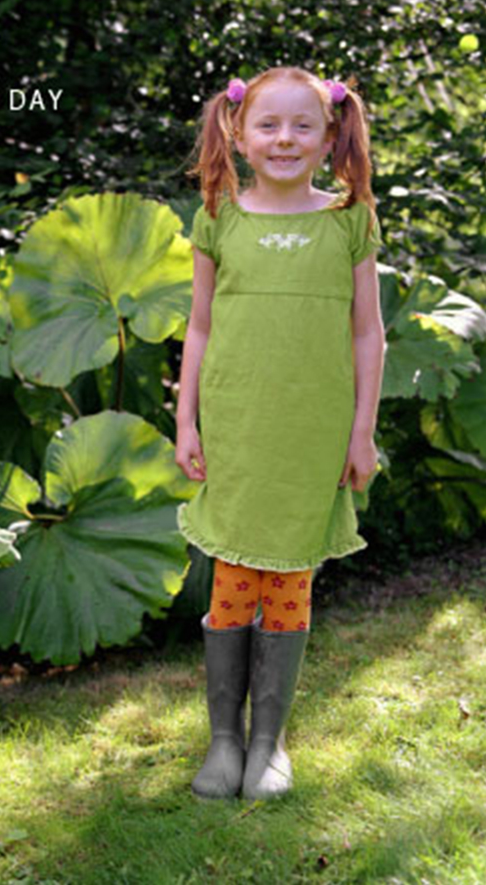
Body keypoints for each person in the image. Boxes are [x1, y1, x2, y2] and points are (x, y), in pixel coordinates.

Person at [174, 66, 386, 801]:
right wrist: (186, 419)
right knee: (233, 576)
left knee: (289, 578)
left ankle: (268, 744)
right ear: (237, 132)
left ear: (331, 135)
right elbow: (199, 327)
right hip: (238, 427)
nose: (285, 139)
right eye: (269, 124)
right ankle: (224, 741)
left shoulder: (349, 219)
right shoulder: (218, 216)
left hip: (312, 433)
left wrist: (362, 433)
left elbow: (368, 335)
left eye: (303, 125)